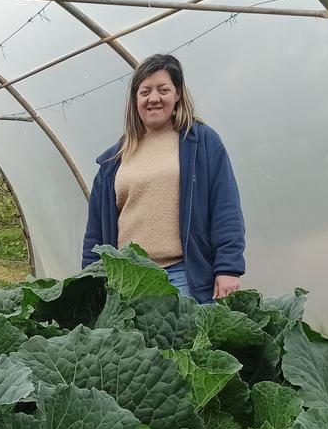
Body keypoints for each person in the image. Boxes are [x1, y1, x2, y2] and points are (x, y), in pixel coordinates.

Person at [82, 53, 245, 302]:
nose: (154, 98)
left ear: (177, 93)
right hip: (128, 283)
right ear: (135, 99)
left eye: (163, 89)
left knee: (188, 342)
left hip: (184, 277)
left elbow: (225, 207)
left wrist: (228, 268)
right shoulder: (113, 160)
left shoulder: (201, 143)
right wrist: (90, 283)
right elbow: (94, 233)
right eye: (145, 91)